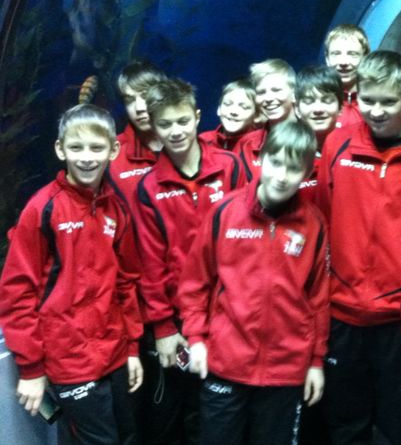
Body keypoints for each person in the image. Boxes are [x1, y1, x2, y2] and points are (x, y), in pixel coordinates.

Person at [315, 50, 401, 444]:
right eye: (368, 100)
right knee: (345, 422)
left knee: (399, 426)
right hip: (342, 312)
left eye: (388, 102)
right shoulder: (337, 144)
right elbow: (323, 221)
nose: (376, 112)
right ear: (355, 96)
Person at [179, 120, 330, 445]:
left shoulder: (314, 224)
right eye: (275, 162)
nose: (281, 176)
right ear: (260, 159)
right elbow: (195, 282)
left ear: (307, 174)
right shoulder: (225, 212)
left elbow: (318, 299)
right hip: (226, 362)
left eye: (294, 168)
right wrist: (196, 338)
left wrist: (316, 362)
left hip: (285, 370)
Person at [0, 104, 143, 444]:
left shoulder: (116, 209)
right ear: (60, 149)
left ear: (113, 150)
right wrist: (31, 369)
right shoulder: (43, 208)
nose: (87, 157)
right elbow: (16, 293)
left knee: (128, 435)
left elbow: (126, 283)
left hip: (115, 352)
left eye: (96, 147)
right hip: (68, 360)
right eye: (76, 147)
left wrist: (132, 349)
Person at [134, 78, 244, 444]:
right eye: (165, 124)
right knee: (173, 415)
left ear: (197, 117)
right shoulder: (149, 186)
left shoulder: (230, 167)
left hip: (231, 312)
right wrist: (163, 328)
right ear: (153, 127)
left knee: (220, 413)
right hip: (180, 319)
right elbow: (150, 263)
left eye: (182, 121)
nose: (176, 131)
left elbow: (251, 237)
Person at [109, 60, 167, 206]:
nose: (139, 108)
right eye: (130, 100)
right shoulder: (113, 154)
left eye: (146, 96)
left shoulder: (186, 144)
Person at [238, 59, 297, 180]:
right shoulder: (248, 145)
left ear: (294, 93)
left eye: (276, 90)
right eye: (261, 92)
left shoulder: (315, 137)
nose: (268, 98)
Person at [294, 65, 344, 204]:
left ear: (341, 108)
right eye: (309, 101)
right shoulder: (288, 153)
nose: (318, 109)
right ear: (297, 109)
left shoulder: (352, 151)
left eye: (327, 100)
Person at [324, 24, 369, 128]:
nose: (343, 62)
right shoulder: (316, 105)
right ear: (327, 59)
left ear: (365, 58)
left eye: (352, 54)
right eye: (336, 54)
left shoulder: (376, 105)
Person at [199, 78, 257, 151]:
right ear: (219, 109)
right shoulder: (203, 141)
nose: (234, 111)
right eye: (227, 104)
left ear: (256, 115)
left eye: (244, 107)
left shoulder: (259, 146)